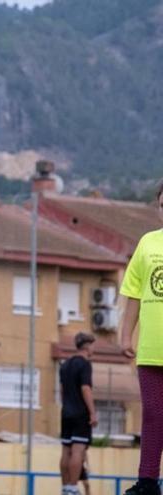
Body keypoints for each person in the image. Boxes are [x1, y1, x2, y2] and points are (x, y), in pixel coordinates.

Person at [119, 181, 163, 495]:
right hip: (150, 349)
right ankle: (147, 481)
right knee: (153, 415)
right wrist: (125, 335)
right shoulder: (147, 243)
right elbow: (133, 293)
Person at [59, 332, 97, 495]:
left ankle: (66, 487)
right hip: (80, 413)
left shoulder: (65, 365)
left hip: (66, 412)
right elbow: (85, 388)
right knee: (78, 450)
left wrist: (66, 405)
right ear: (87, 345)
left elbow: (62, 390)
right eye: (93, 345)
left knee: (66, 450)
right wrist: (92, 412)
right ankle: (74, 488)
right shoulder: (84, 364)